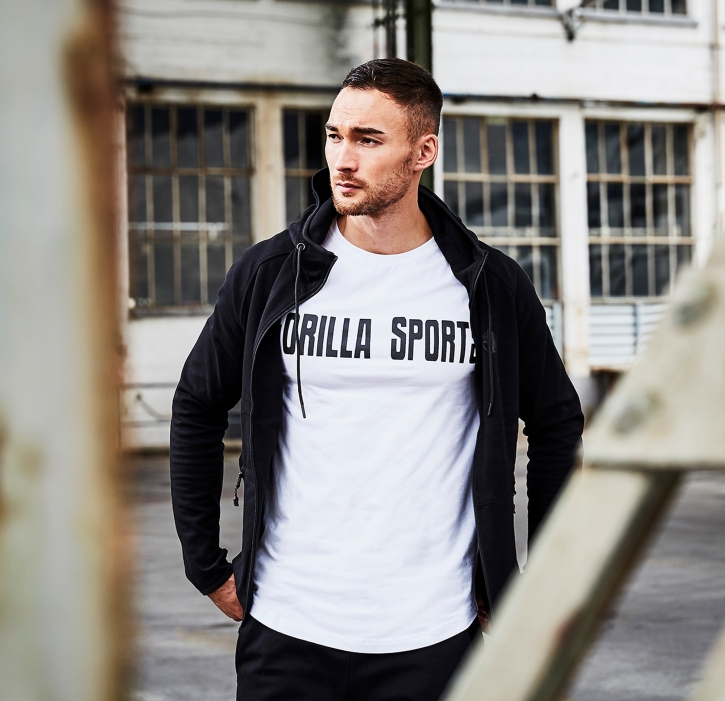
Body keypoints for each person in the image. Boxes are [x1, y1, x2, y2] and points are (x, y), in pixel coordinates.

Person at [170, 58, 584, 701]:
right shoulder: (272, 272)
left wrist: (531, 581)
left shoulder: (488, 285)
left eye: (368, 139)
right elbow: (197, 404)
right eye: (334, 135)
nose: (343, 159)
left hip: (435, 632)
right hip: (287, 627)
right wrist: (207, 566)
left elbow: (557, 421)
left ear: (424, 152)